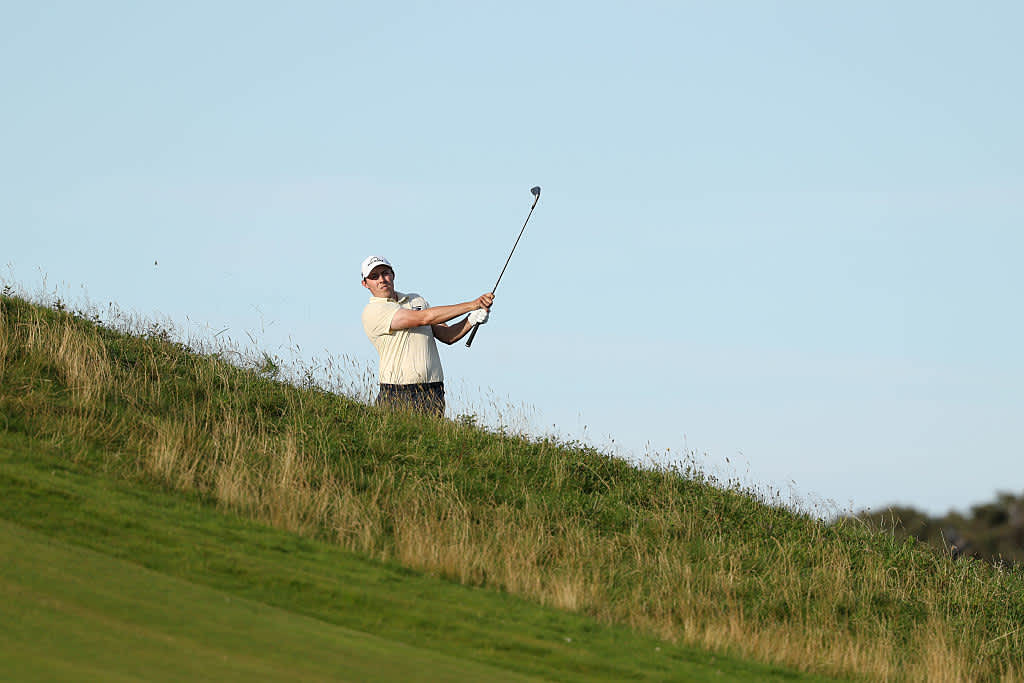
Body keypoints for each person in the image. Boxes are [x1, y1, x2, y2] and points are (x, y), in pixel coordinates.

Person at [360, 255, 493, 417]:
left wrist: (471, 319)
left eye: (385, 273)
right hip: (398, 391)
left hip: (433, 390)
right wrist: (473, 304)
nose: (381, 279)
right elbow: (423, 318)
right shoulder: (373, 311)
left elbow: (448, 335)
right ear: (365, 284)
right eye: (374, 277)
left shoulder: (416, 300)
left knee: (431, 442)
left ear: (393, 274)